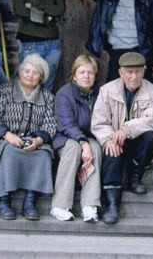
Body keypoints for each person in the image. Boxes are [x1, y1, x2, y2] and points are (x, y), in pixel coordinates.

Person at [91, 52, 153, 224]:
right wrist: (109, 139)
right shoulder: (106, 91)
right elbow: (99, 122)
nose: (134, 76)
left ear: (144, 71)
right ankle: (112, 204)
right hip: (115, 140)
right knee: (111, 149)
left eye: (138, 71)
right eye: (129, 72)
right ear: (121, 73)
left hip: (137, 141)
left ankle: (135, 176)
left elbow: (152, 121)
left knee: (151, 137)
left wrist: (126, 130)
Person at [0, 54, 58, 221]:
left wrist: (38, 140)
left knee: (44, 154)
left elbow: (50, 124)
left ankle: (30, 202)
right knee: (9, 151)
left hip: (32, 141)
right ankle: (2, 201)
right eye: (27, 71)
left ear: (41, 77)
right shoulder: (4, 91)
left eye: (35, 73)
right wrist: (8, 135)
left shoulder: (47, 98)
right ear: (20, 72)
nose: (30, 75)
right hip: (2, 139)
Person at [51, 54, 102, 223]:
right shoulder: (65, 94)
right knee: (74, 148)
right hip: (65, 137)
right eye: (82, 72)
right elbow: (66, 124)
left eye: (90, 73)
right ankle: (60, 205)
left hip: (88, 137)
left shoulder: (99, 94)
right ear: (74, 75)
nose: (86, 76)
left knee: (96, 148)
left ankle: (90, 205)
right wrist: (83, 143)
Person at [13, 0, 65, 91]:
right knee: (28, 86)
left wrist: (33, 7)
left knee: (47, 87)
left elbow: (60, 9)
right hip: (30, 42)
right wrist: (47, 16)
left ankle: (43, 108)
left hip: (53, 43)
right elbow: (19, 9)